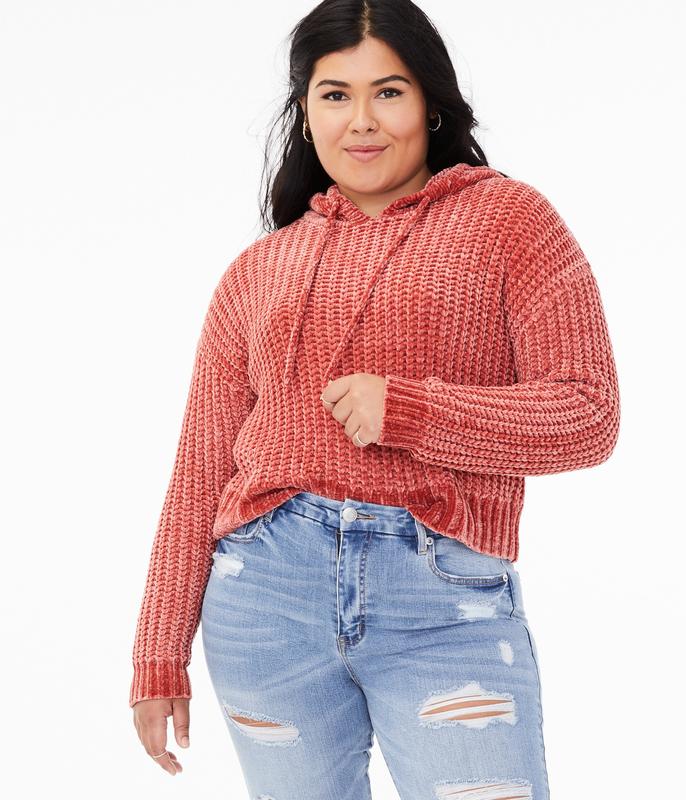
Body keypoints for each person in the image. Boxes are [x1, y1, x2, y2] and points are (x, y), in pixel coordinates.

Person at [130, 1, 621, 797]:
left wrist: (412, 413)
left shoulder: (510, 223)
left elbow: (588, 415)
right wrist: (158, 652)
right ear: (305, 112)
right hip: (263, 604)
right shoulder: (258, 271)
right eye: (335, 95)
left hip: (442, 606)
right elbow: (198, 474)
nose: (361, 120)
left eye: (388, 92)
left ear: (431, 103)